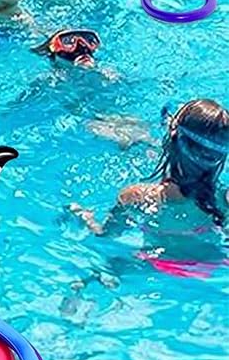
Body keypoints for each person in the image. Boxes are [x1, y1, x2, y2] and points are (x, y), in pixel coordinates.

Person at [71, 99, 228, 272]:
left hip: (156, 265)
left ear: (172, 137)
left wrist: (84, 216)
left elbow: (106, 234)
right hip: (211, 264)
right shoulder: (224, 200)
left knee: (102, 270)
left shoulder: (136, 196)